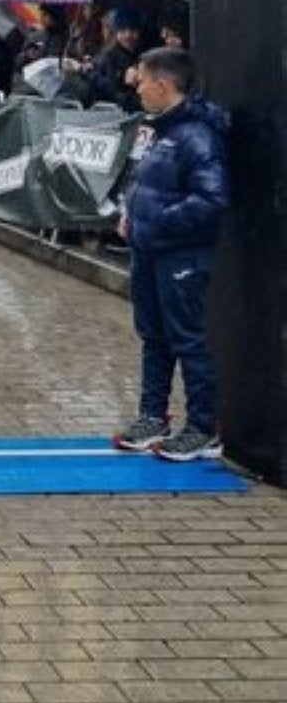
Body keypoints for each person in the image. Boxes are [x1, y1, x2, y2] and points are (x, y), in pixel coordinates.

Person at [111, 47, 230, 461]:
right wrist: (130, 211)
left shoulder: (196, 135)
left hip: (182, 255)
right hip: (149, 251)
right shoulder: (159, 130)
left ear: (162, 84)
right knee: (154, 337)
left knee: (188, 339)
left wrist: (158, 222)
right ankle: (152, 417)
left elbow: (212, 198)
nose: (137, 87)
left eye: (142, 80)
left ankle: (203, 428)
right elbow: (144, 181)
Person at [88, 9, 145, 111]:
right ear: (116, 32)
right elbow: (107, 86)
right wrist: (122, 78)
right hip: (113, 109)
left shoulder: (145, 53)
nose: (128, 35)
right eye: (123, 31)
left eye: (132, 30)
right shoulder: (108, 55)